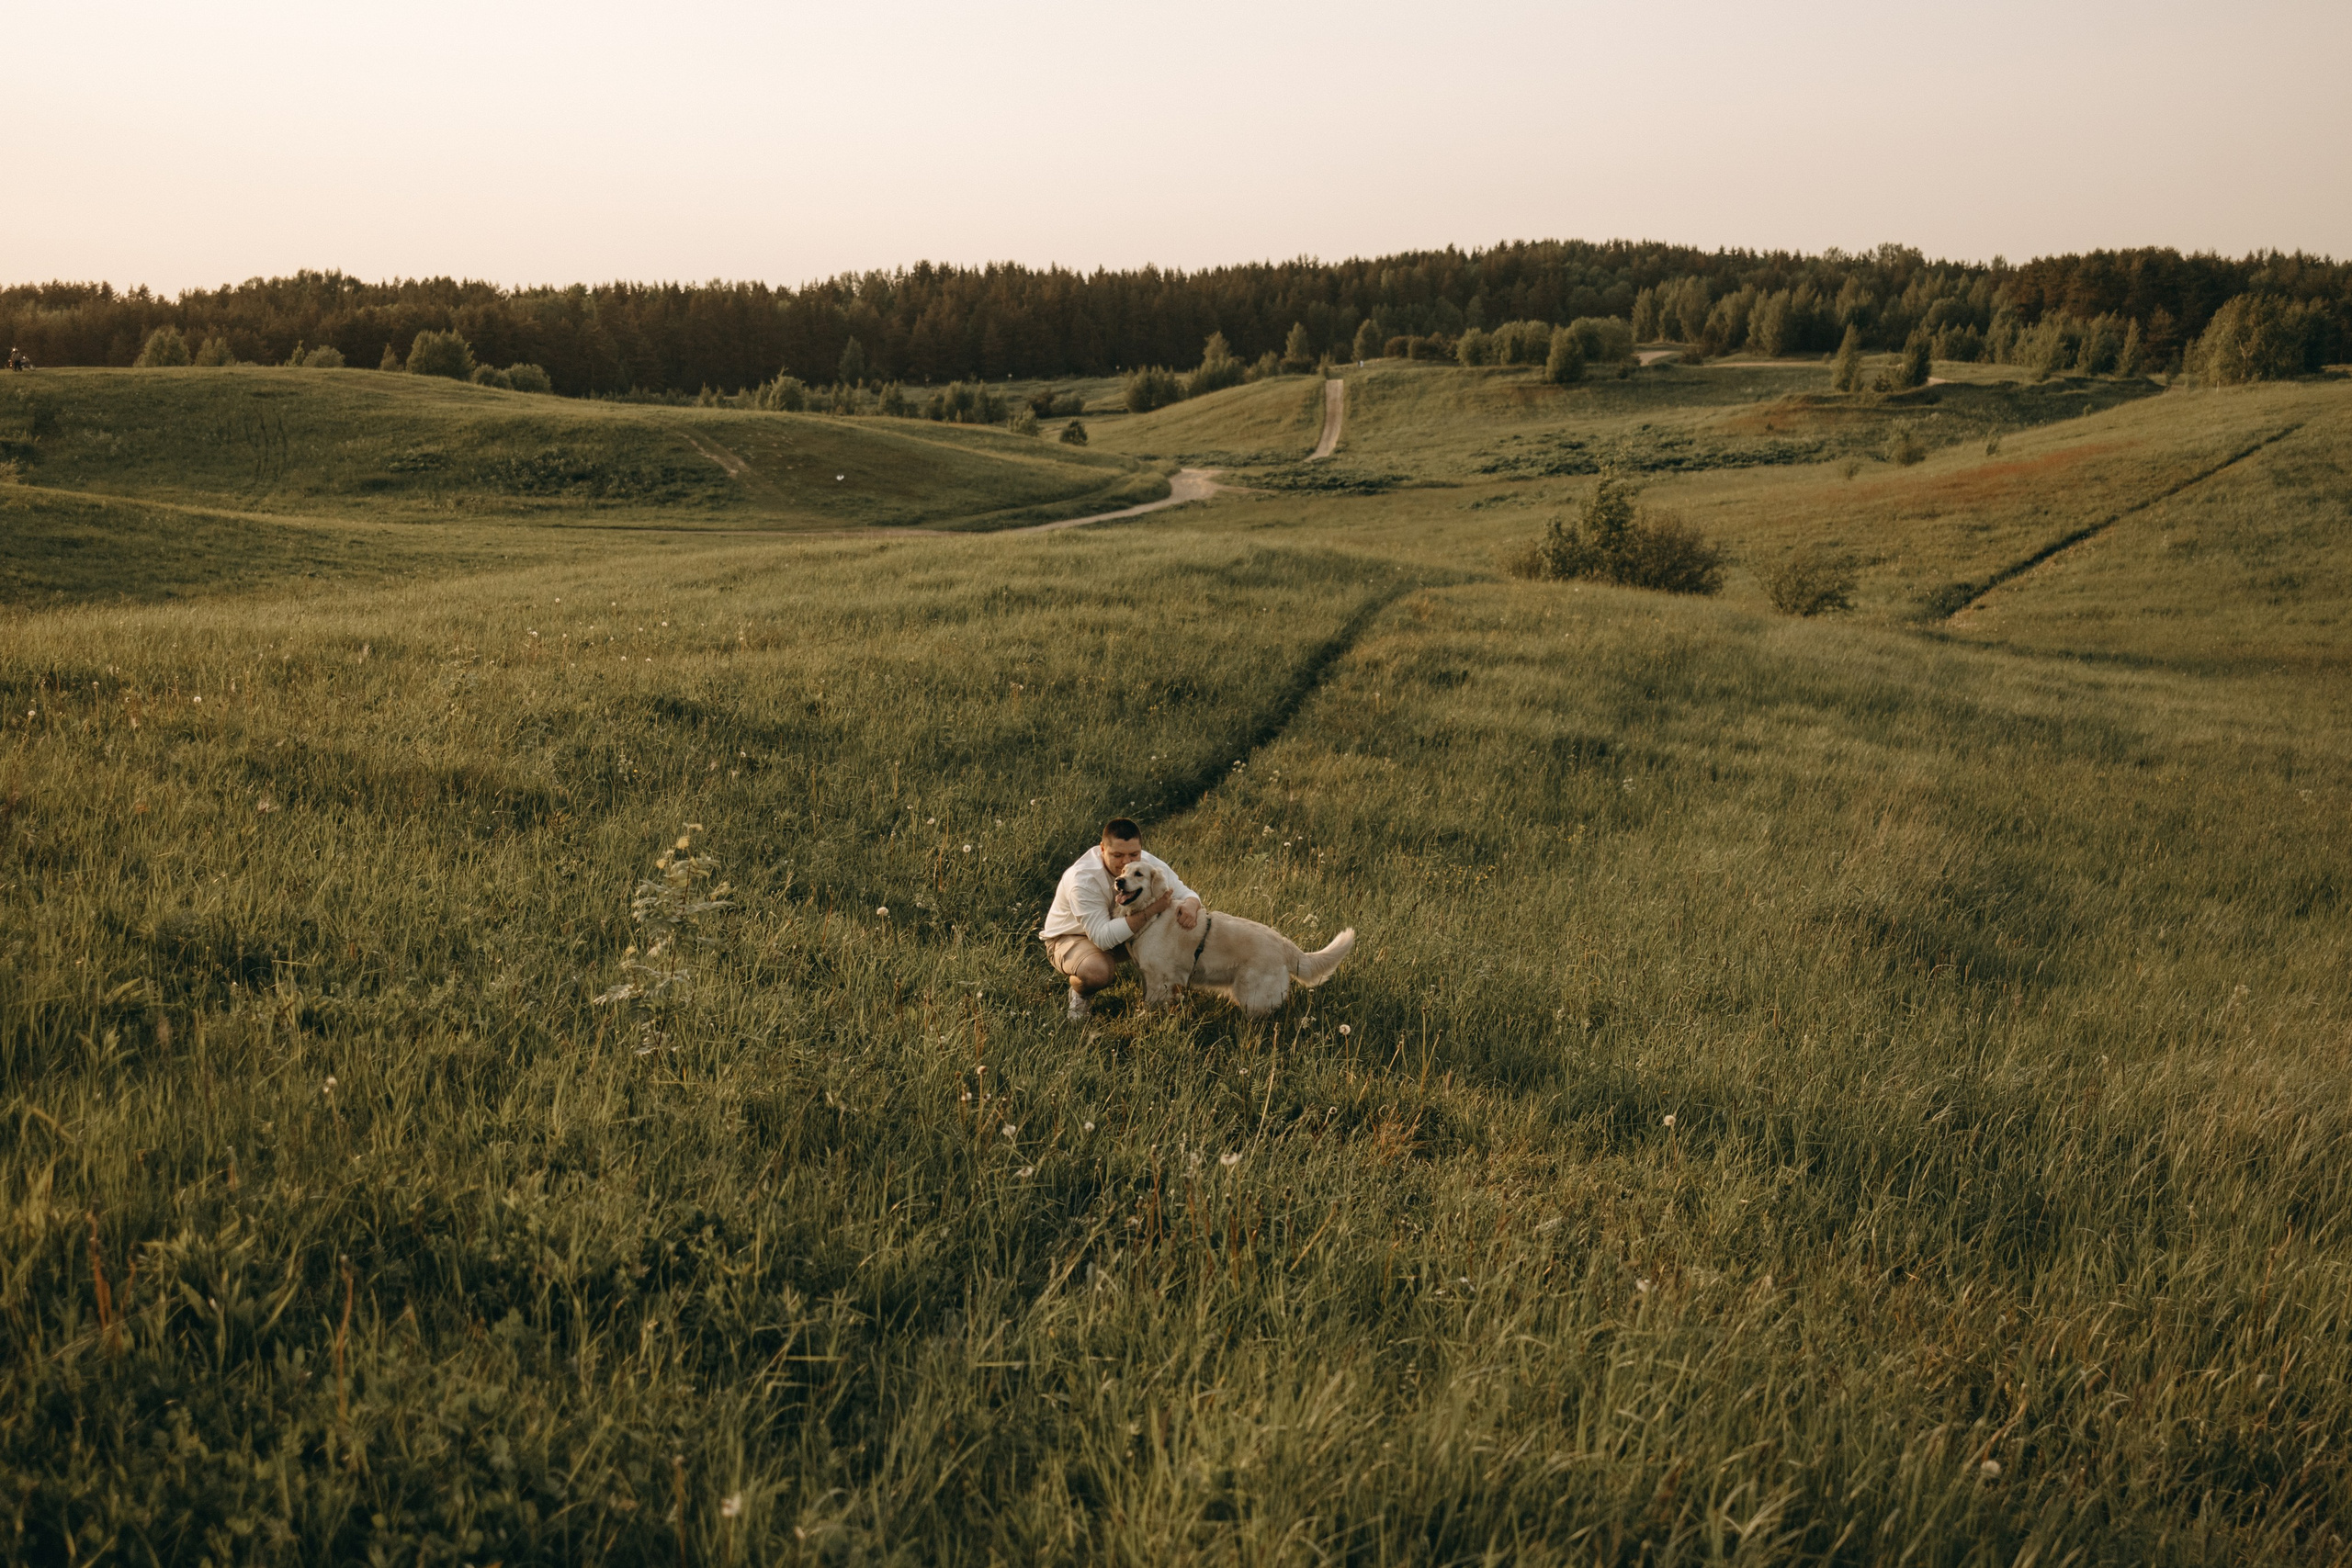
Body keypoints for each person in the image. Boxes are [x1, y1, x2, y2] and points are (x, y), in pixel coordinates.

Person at [1040, 817, 1201, 1021]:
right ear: (1102, 849)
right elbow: (1102, 938)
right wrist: (1151, 911)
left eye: (1134, 854)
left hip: (1121, 930)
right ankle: (1080, 994)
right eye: (1117, 855)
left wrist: (1191, 904)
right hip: (1071, 937)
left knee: (1174, 928)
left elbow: (1184, 892)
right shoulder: (1083, 878)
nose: (1127, 862)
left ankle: (1165, 997)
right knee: (1098, 972)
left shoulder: (1143, 864)